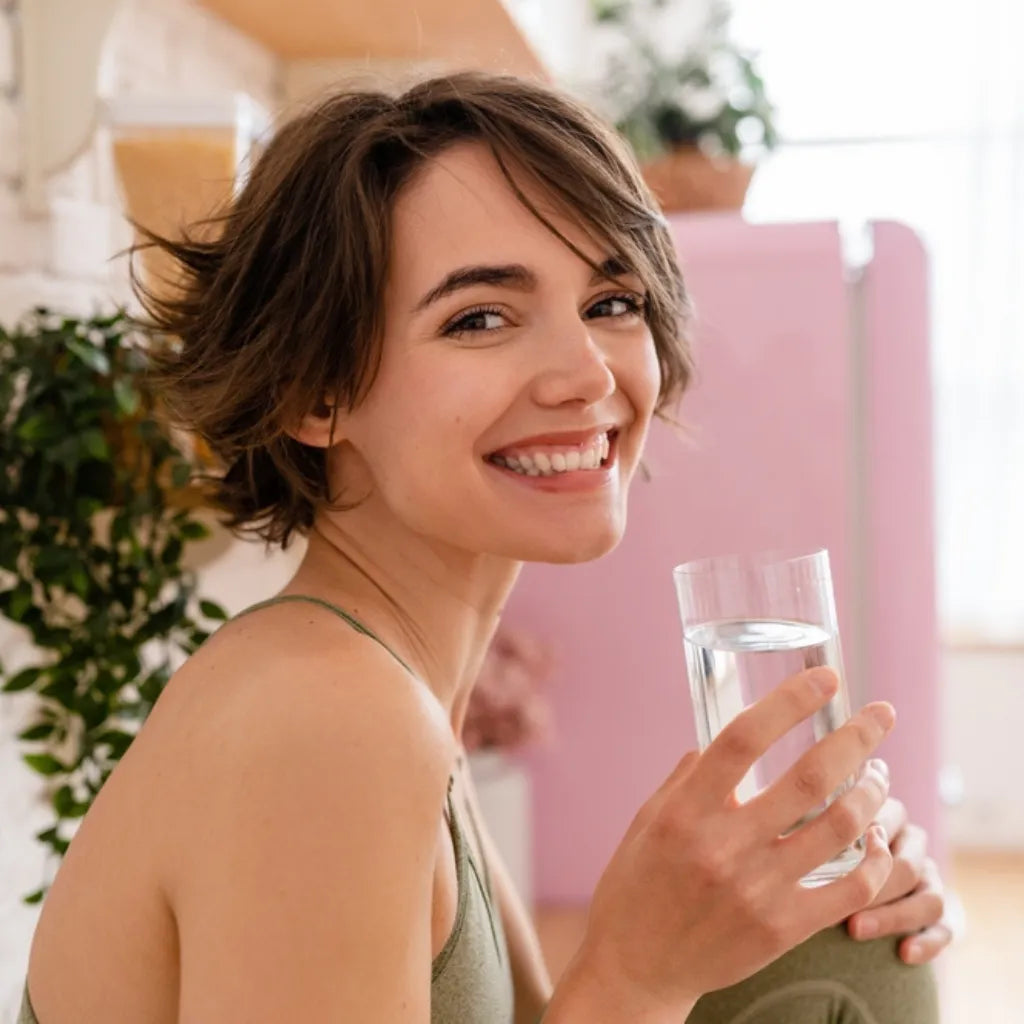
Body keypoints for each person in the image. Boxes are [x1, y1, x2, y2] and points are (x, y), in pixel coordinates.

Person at [19, 71, 951, 1024]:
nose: (587, 374)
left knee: (845, 943)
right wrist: (636, 975)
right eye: (480, 317)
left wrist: (793, 890)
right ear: (315, 391)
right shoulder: (324, 721)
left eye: (612, 302)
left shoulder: (390, 685)